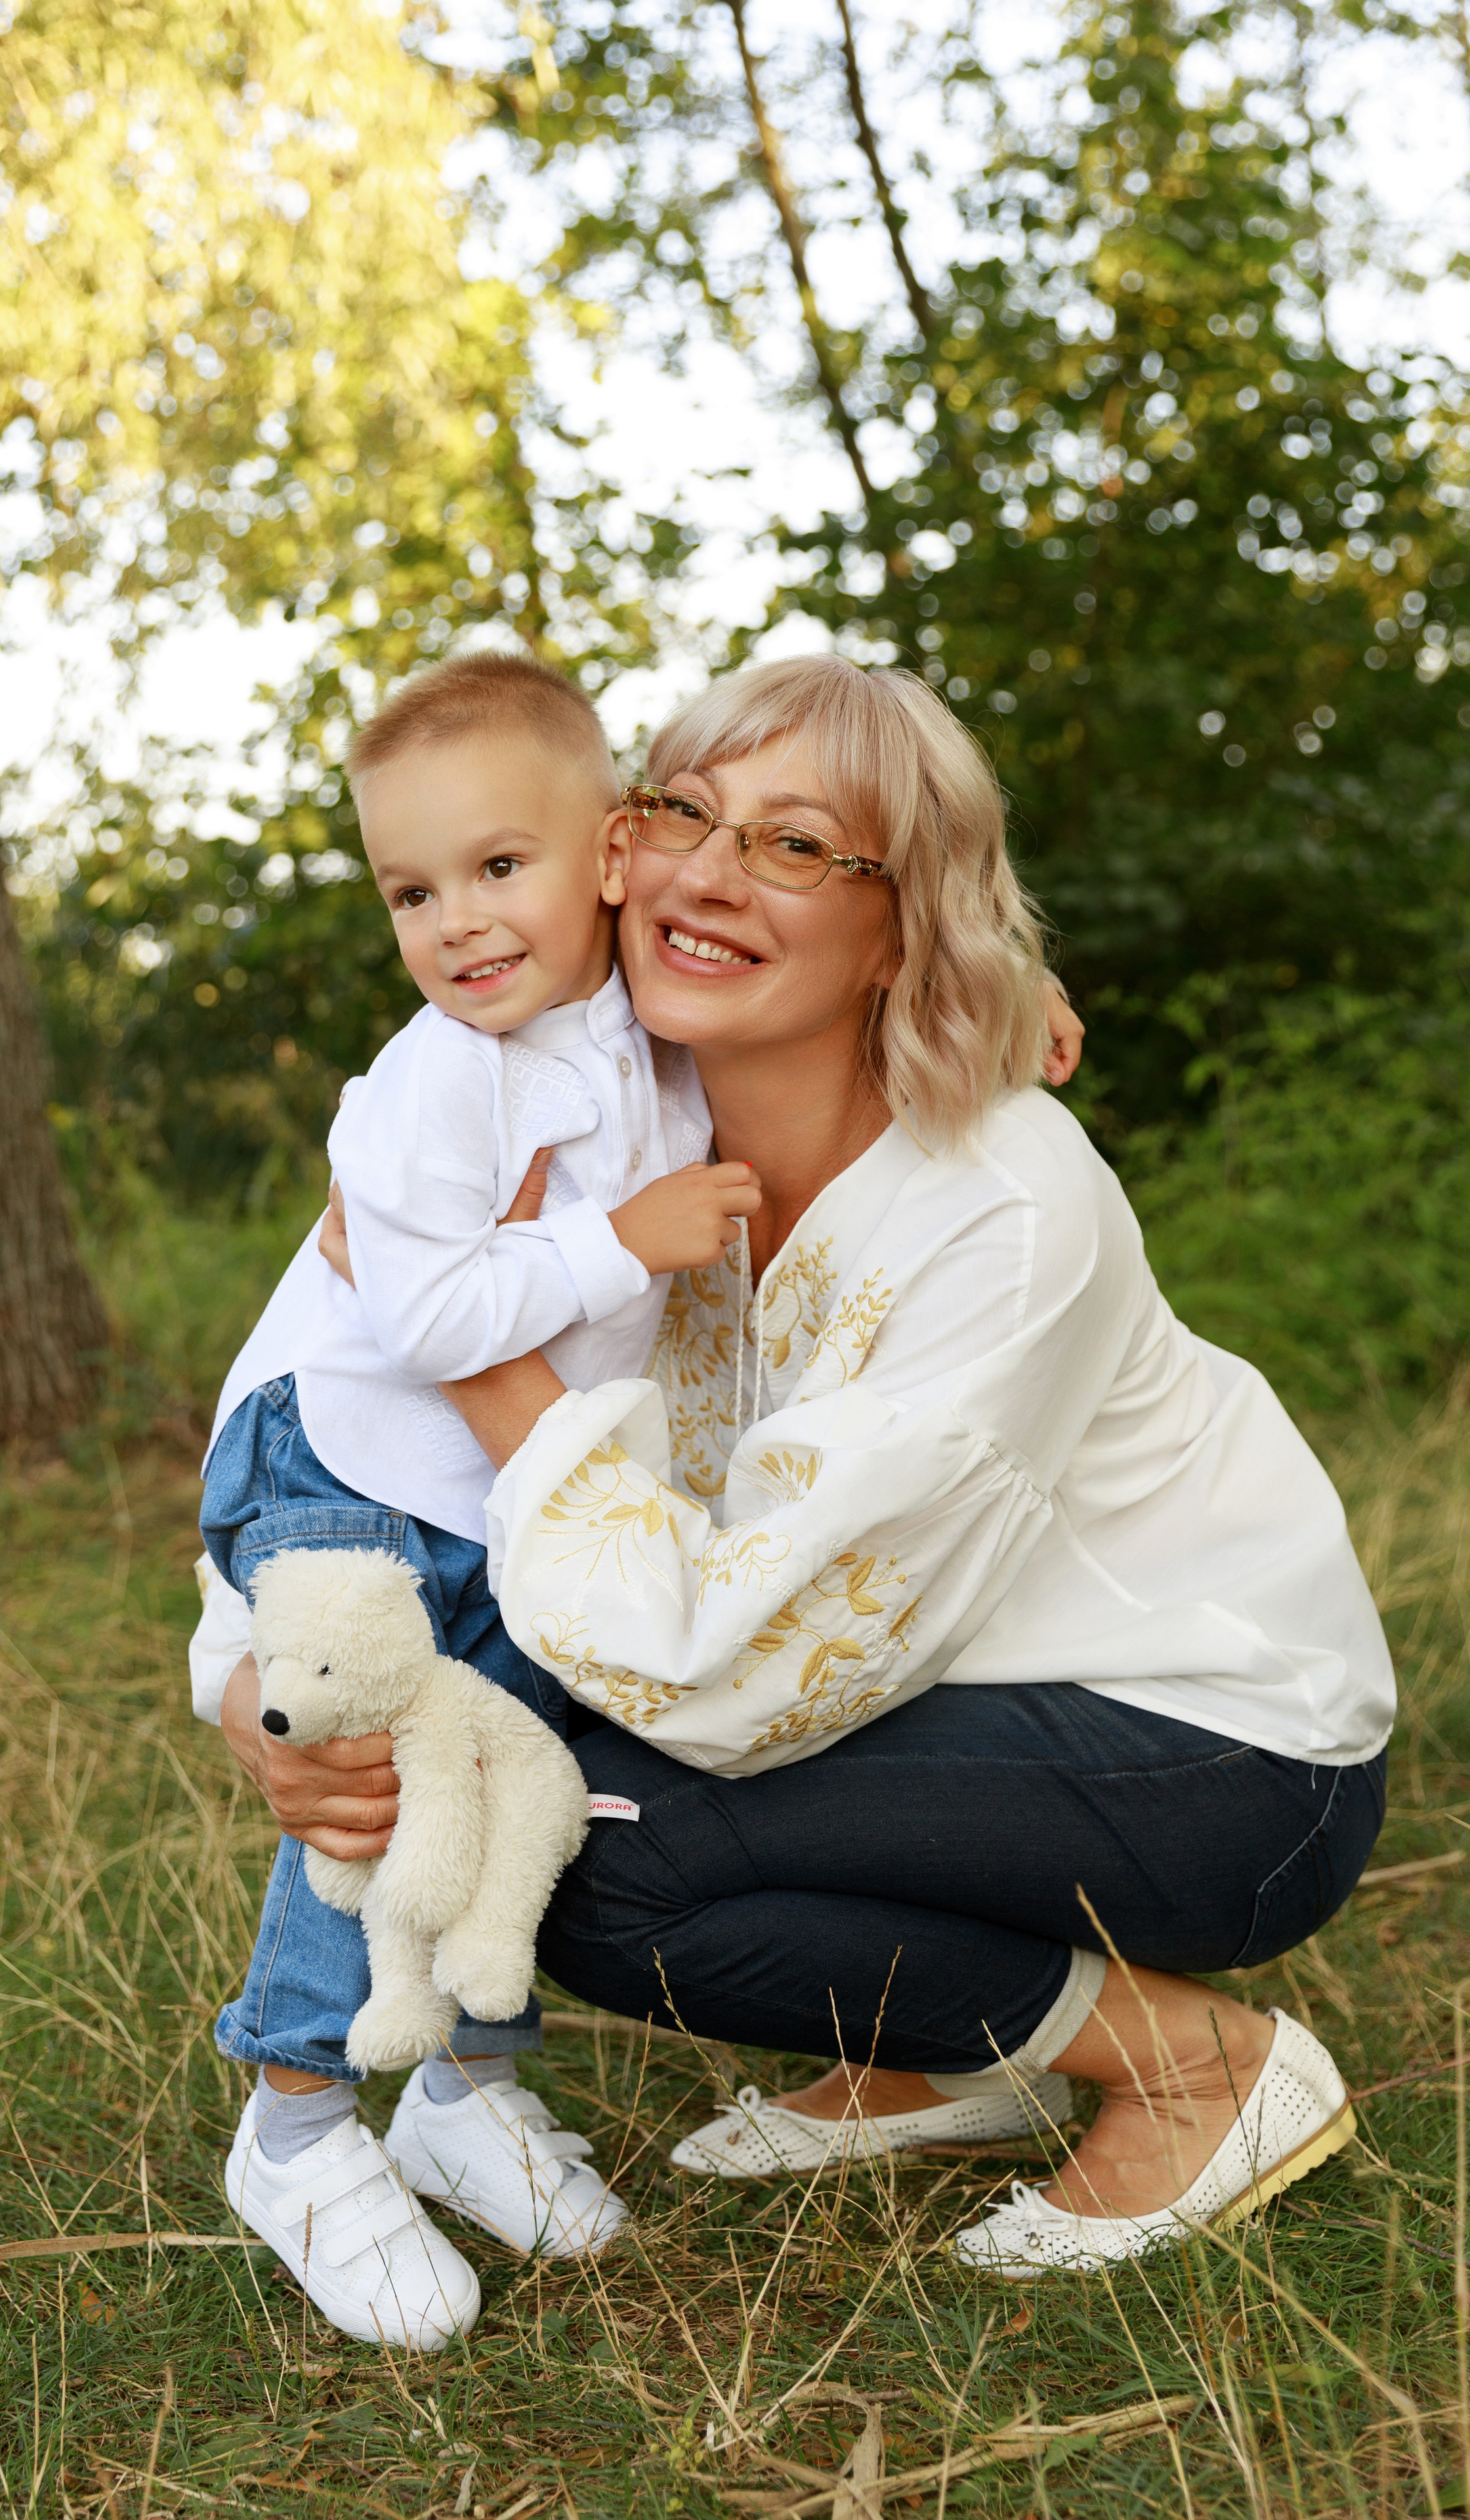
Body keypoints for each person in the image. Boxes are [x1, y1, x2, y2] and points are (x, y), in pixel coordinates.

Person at [329, 652, 1395, 2281]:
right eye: (683, 812)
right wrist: (286, 1690)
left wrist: (480, 1363)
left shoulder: (1002, 1210)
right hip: (923, 1694)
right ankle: (955, 2047)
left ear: (903, 922)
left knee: (586, 1846)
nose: (706, 870)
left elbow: (730, 1664)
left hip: (1215, 1758)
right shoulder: (614, 1119)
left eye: (795, 844)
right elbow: (356, 1351)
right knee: (506, 1781)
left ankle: (1202, 2070)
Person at [192, 650, 753, 2350]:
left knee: (520, 1764)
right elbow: (419, 1316)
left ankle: (463, 2090)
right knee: (368, 1778)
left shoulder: (644, 1033)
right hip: (341, 1458)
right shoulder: (437, 1078)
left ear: (606, 858)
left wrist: (994, 1002)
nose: (455, 922)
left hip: (491, 1496)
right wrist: (615, 1243)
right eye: (411, 890)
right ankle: (291, 2130)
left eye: (496, 867)